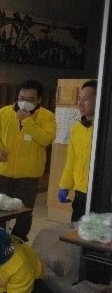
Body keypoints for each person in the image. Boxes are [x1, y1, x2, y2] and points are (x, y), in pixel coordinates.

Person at [0, 79, 55, 241]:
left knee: (24, 211)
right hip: (3, 170)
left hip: (28, 174)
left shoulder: (47, 117)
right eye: (22, 98)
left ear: (39, 100)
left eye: (30, 100)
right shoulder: (4, 112)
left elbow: (46, 139)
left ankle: (18, 240)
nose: (24, 103)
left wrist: (27, 121)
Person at [59, 79, 97, 222]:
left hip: (100, 193)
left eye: (86, 99)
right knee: (76, 231)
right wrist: (65, 185)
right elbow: (71, 160)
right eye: (79, 99)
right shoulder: (77, 128)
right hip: (80, 191)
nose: (80, 104)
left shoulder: (105, 129)